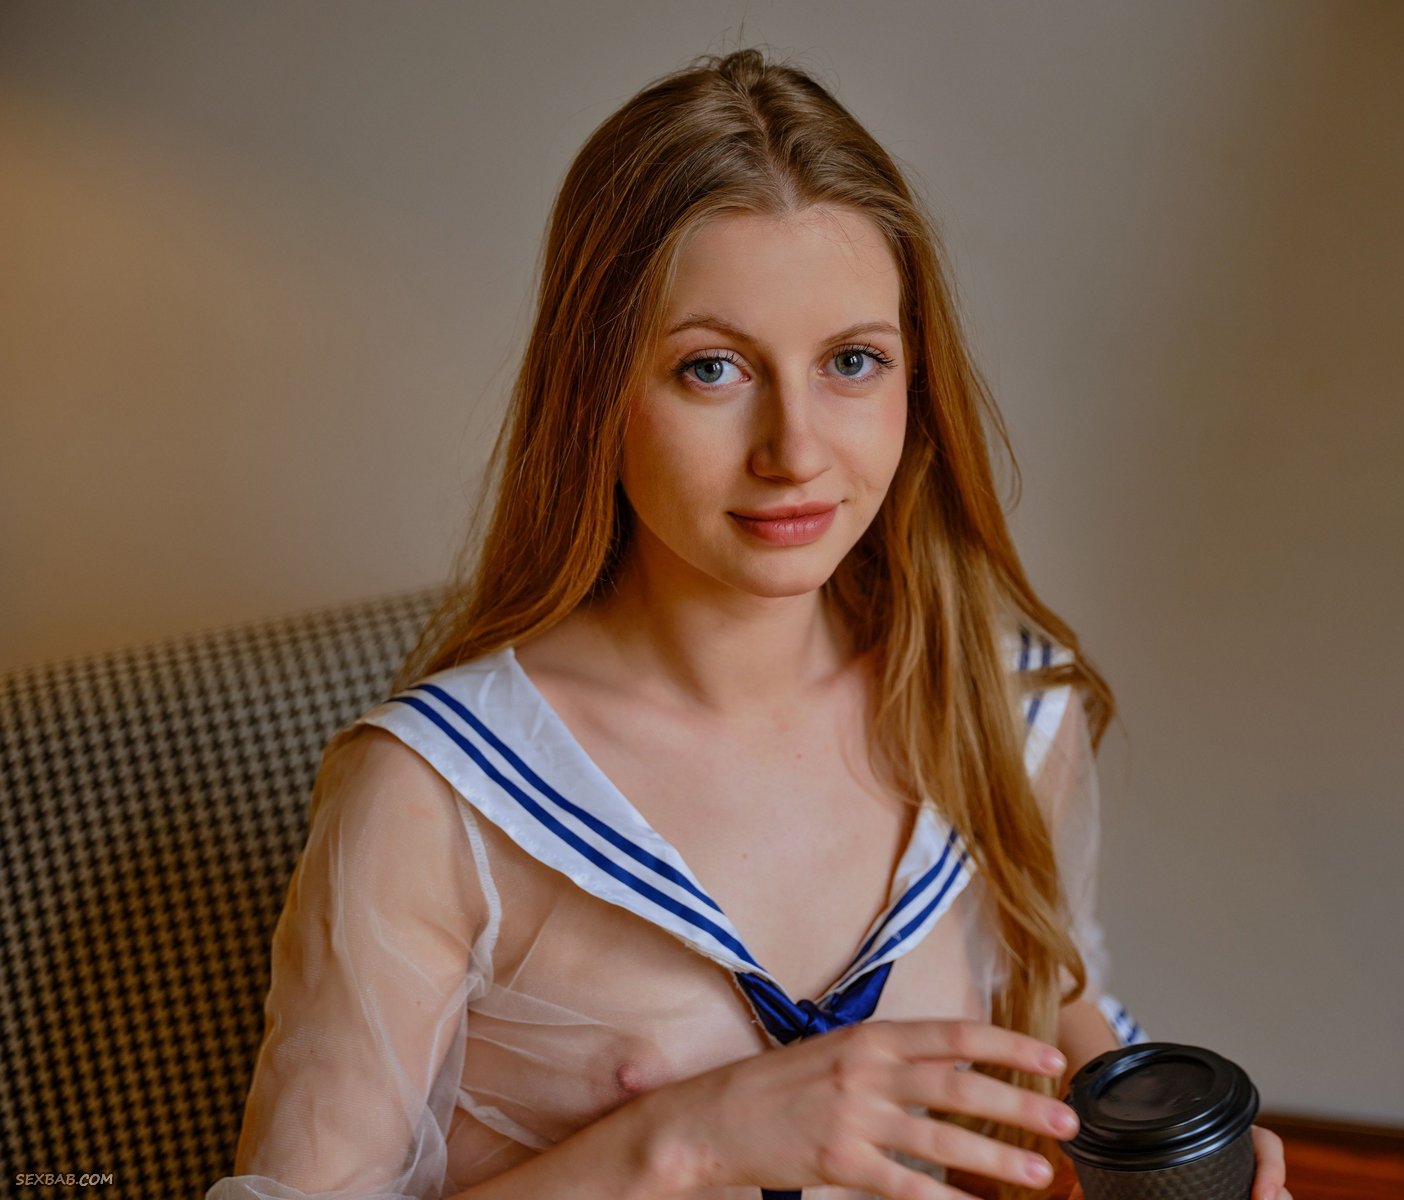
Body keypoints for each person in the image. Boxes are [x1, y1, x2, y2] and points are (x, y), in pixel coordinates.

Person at [208, 48, 1290, 1200]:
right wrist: (680, 1140)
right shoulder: (432, 801)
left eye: (852, 362)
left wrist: (1178, 1160)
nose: (795, 451)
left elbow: (1063, 999)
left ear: (916, 385)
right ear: (593, 394)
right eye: (712, 369)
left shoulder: (1004, 712)